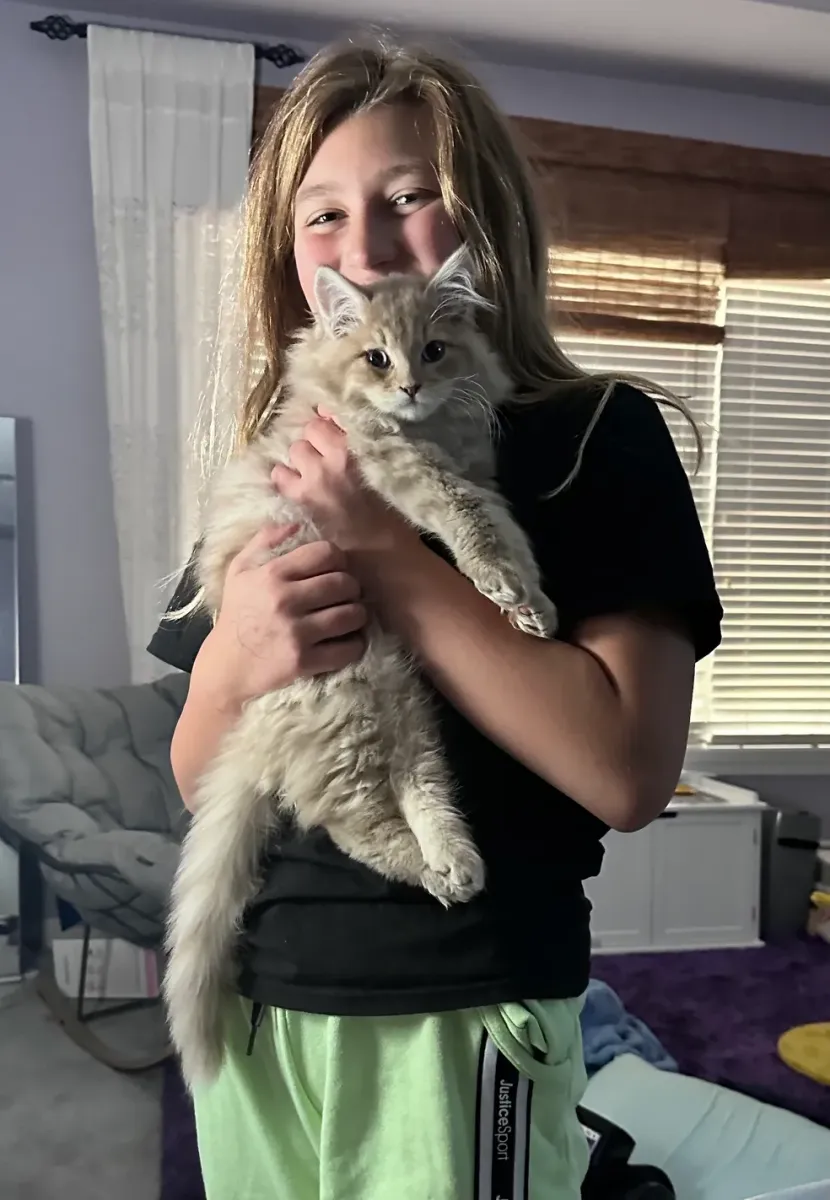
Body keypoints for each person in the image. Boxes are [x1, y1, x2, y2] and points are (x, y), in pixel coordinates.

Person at [148, 35, 723, 1200]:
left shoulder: (594, 437)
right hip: (262, 998)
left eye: (406, 197)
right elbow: (197, 773)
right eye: (321, 214)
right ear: (287, 256)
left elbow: (625, 776)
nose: (361, 244)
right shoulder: (282, 454)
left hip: (455, 993)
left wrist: (385, 551)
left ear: (484, 219)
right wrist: (237, 657)